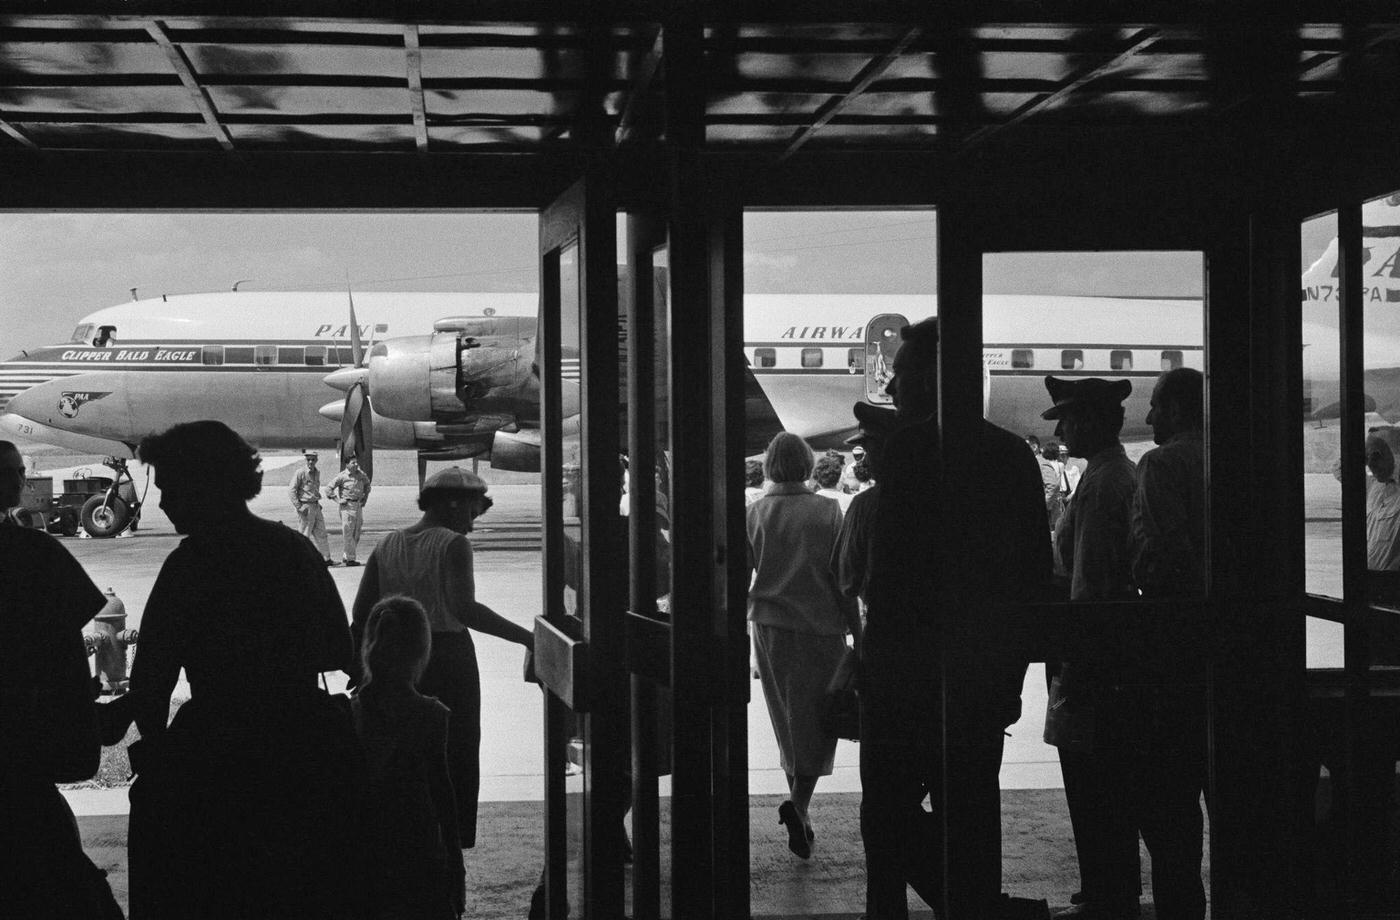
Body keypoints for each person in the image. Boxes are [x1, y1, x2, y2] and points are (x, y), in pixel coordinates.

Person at [126, 420, 361, 919]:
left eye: (168, 487)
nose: (163, 503)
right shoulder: (292, 551)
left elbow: (150, 685)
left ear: (200, 484)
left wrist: (161, 755)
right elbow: (341, 651)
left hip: (215, 759)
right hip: (301, 753)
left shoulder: (188, 567)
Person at [862, 319, 1052, 920]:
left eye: (903, 376)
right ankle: (975, 902)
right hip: (980, 675)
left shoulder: (913, 450)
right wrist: (1008, 679)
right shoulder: (1013, 454)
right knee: (970, 811)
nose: (891, 389)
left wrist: (867, 663)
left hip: (906, 676)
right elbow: (1031, 578)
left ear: (936, 381)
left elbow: (890, 579)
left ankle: (959, 904)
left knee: (885, 817)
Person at [351, 466, 535, 846]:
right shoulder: (452, 544)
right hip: (448, 659)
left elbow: (361, 611)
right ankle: (447, 843)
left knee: (401, 755)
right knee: (454, 752)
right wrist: (527, 637)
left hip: (393, 657)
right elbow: (464, 609)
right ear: (453, 503)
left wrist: (366, 661)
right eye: (472, 511)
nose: (472, 523)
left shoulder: (387, 544)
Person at [0, 440, 123, 918]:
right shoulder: (33, 551)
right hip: (26, 750)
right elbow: (63, 639)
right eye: (8, 472)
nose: (19, 480)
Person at [1042, 376, 1140, 920]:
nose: (1061, 428)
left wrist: (1077, 667)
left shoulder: (1104, 485)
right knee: (1096, 780)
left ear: (1095, 422)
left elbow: (1093, 584)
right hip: (1098, 650)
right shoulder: (1103, 476)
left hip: (1093, 653)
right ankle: (1101, 883)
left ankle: (1108, 892)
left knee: (1096, 782)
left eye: (1068, 418)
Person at [747, 431, 861, 859]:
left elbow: (739, 579)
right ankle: (799, 806)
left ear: (770, 464)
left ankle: (801, 808)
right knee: (820, 720)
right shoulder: (829, 511)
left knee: (788, 720)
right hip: (822, 628)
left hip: (770, 629)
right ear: (808, 464)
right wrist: (859, 634)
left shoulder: (754, 514)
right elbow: (844, 582)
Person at [1128, 366, 1207, 920]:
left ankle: (1181, 907)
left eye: (1157, 406)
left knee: (1168, 803)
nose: (1150, 417)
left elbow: (1163, 556)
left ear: (1178, 411)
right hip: (1236, 647)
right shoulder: (1237, 455)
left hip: (1176, 646)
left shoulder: (1161, 464)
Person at [353, 595, 465, 920]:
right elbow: (443, 798)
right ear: (421, 650)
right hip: (418, 850)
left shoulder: (349, 715)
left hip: (366, 852)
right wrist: (455, 869)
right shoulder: (432, 716)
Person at [289, 448, 334, 565]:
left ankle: (326, 559)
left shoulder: (316, 472)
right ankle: (298, 560)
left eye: (313, 459)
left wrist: (317, 504)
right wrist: (299, 506)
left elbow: (313, 490)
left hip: (315, 506)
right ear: (306, 460)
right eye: (308, 459)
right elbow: (291, 490)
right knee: (304, 535)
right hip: (305, 508)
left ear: (316, 460)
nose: (310, 462)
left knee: (322, 533)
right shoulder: (300, 473)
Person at [327, 455, 372, 566]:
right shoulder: (342, 476)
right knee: (348, 532)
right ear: (347, 465)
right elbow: (328, 489)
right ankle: (351, 559)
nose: (356, 465)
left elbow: (367, 486)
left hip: (358, 505)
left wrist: (365, 499)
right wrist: (337, 500)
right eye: (353, 463)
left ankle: (347, 555)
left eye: (356, 462)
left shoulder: (361, 474)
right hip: (347, 506)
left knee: (356, 532)